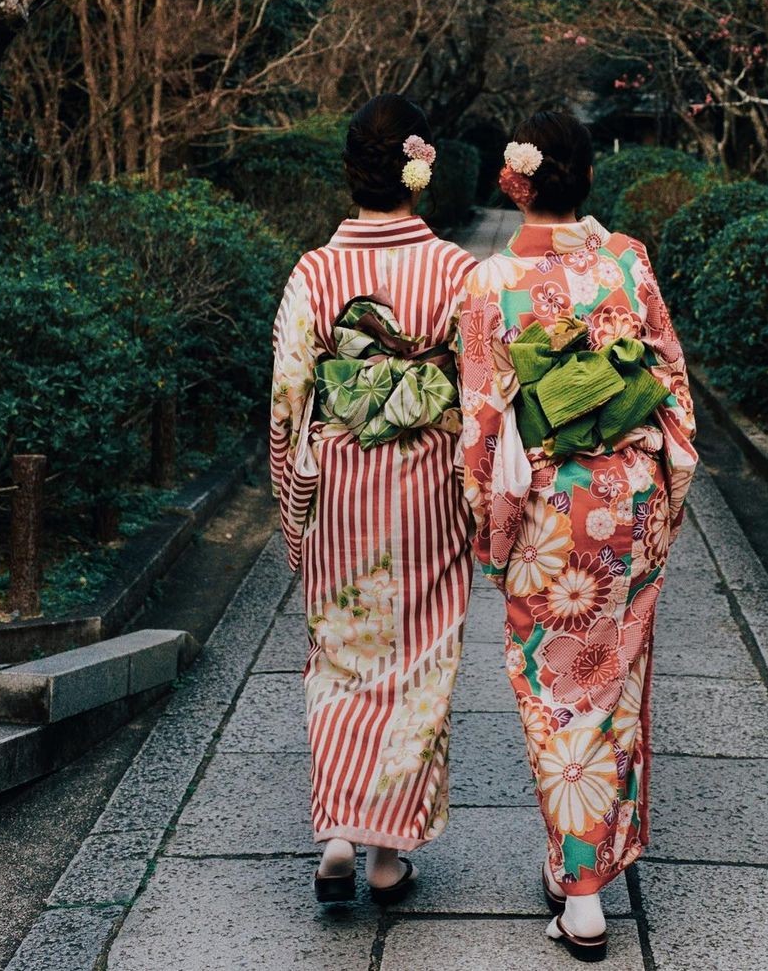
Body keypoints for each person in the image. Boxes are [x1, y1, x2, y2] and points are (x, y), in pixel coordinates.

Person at [455, 111, 698, 962]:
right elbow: (668, 381)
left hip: (550, 502)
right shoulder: (627, 260)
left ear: (515, 183)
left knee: (553, 686)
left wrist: (491, 529)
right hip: (627, 498)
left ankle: (582, 891)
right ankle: (580, 864)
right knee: (612, 674)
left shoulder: (489, 284)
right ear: (587, 180)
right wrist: (666, 490)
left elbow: (483, 421)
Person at [270, 94, 476, 905]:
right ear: (417, 175)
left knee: (341, 653)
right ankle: (389, 854)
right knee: (422, 656)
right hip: (427, 482)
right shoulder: (455, 270)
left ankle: (337, 838)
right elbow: (485, 394)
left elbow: (291, 398)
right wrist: (480, 501)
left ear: (351, 172)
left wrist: (296, 507)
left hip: (345, 483)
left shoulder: (315, 272)